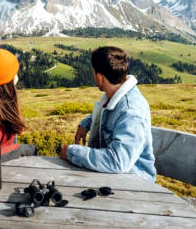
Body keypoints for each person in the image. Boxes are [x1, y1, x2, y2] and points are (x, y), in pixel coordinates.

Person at [60, 46, 156, 181]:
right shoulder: (114, 97)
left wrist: (71, 152)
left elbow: (118, 161)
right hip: (116, 176)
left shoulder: (131, 111)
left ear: (99, 77)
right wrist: (87, 123)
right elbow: (110, 114)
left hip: (135, 181)